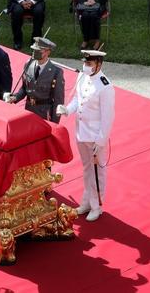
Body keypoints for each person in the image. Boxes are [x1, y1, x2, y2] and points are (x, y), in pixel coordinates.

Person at [56, 49, 115, 222]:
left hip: (96, 136)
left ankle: (97, 206)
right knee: (87, 169)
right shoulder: (82, 77)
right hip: (81, 132)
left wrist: (101, 140)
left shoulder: (105, 86)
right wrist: (68, 110)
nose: (85, 66)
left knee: (97, 172)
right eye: (85, 63)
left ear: (99, 64)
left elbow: (108, 116)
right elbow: (77, 99)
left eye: (89, 64)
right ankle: (87, 202)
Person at [7, 37, 65, 123]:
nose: (35, 52)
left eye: (38, 50)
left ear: (48, 52)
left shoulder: (56, 72)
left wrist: (54, 123)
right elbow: (24, 88)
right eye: (34, 49)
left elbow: (58, 100)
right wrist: (15, 97)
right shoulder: (28, 64)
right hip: (28, 110)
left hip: (44, 114)